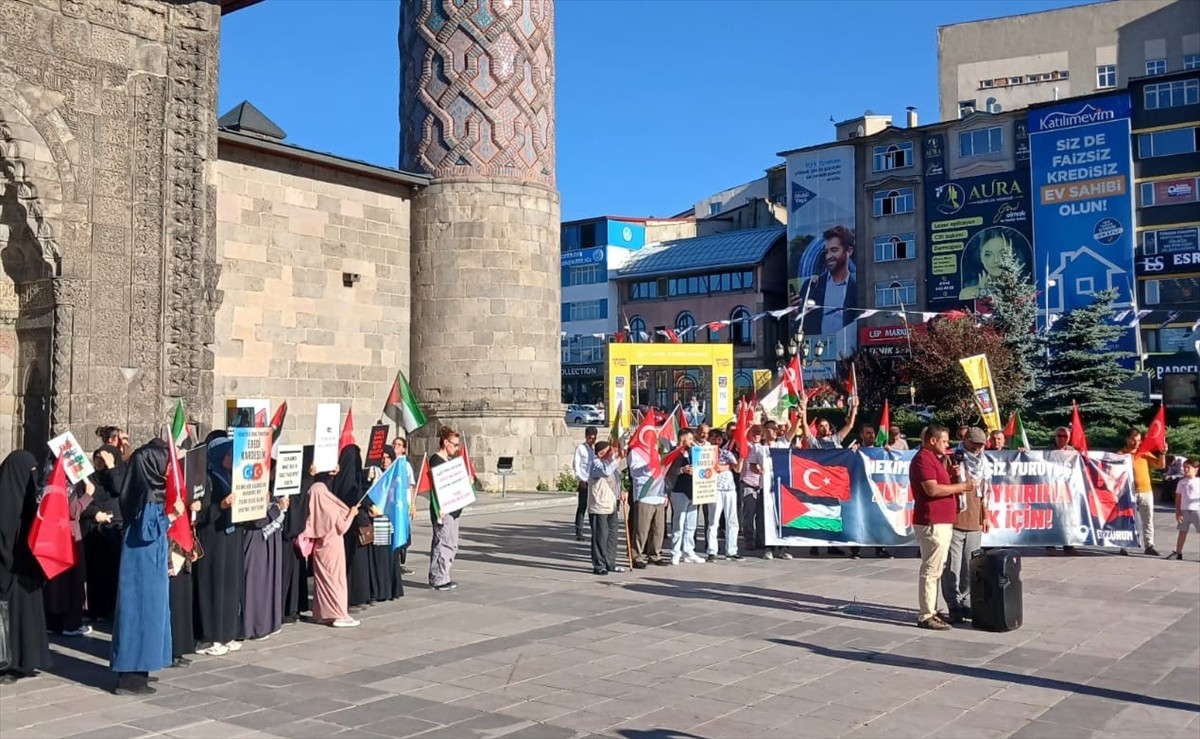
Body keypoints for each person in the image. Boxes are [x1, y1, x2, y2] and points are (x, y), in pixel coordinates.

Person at [110, 440, 182, 695]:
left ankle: (141, 669)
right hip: (142, 562)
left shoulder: (146, 488)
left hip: (148, 559)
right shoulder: (148, 493)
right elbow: (148, 529)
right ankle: (130, 677)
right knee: (139, 614)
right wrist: (173, 516)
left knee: (151, 615)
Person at [910, 424, 974, 631]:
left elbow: (942, 484)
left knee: (937, 568)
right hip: (932, 522)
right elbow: (932, 489)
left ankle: (933, 610)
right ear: (933, 440)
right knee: (931, 569)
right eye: (944, 441)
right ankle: (926, 614)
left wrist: (953, 476)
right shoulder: (922, 460)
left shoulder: (935, 460)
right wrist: (962, 487)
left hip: (942, 521)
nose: (947, 445)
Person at [0, 451, 51, 685]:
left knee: (24, 616)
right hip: (9, 572)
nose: (34, 476)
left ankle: (25, 660)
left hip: (25, 571)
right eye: (30, 472)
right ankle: (8, 663)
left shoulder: (28, 500)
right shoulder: (5, 500)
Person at [193, 434, 244, 657]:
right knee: (213, 586)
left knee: (230, 584)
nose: (232, 457)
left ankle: (227, 632)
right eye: (229, 453)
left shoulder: (232, 476)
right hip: (213, 540)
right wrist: (221, 506)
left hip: (231, 536)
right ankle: (210, 636)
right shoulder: (207, 479)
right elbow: (200, 515)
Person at [941, 427, 990, 624]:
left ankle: (967, 601)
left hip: (974, 520)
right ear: (966, 440)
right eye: (975, 444)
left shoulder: (984, 462)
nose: (978, 448)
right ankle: (953, 604)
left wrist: (985, 516)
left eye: (981, 445)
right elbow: (940, 485)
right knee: (952, 565)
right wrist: (952, 474)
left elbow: (985, 492)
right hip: (955, 518)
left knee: (971, 566)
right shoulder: (952, 457)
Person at [301, 471, 360, 628]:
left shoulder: (313, 508)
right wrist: (352, 514)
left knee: (322, 582)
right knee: (336, 582)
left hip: (320, 548)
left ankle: (322, 613)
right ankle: (340, 614)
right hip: (334, 548)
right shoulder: (331, 508)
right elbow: (342, 527)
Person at [802, 395, 857, 557]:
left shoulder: (835, 440)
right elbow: (804, 425)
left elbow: (850, 425)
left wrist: (854, 408)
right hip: (818, 481)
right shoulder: (814, 443)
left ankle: (832, 543)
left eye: (826, 426)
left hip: (833, 482)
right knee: (817, 510)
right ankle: (815, 545)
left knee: (833, 512)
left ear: (830, 428)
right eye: (820, 426)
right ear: (817, 428)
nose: (823, 428)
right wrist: (804, 407)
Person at [43, 476, 95, 636]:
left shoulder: (47, 479)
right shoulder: (67, 484)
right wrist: (88, 494)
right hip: (69, 534)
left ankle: (53, 622)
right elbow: (72, 511)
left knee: (56, 579)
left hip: (53, 533)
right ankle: (72, 624)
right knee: (75, 578)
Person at [82, 444, 125, 622]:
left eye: (104, 459)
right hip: (93, 530)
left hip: (114, 530)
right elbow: (83, 500)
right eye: (97, 458)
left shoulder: (119, 475)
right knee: (95, 573)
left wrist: (111, 467)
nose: (100, 462)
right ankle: (95, 610)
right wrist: (94, 513)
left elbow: (119, 490)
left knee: (113, 572)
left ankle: (111, 610)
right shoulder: (90, 478)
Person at [798, 225, 857, 338]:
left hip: (849, 351)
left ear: (849, 251)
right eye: (826, 252)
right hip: (817, 351)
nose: (829, 256)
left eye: (834, 250)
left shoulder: (857, 288)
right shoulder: (811, 286)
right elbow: (800, 325)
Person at [333, 445, 371, 611]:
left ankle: (358, 595)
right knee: (352, 562)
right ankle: (353, 597)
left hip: (352, 525)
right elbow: (353, 496)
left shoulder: (348, 475)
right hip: (351, 526)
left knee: (356, 562)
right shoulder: (348, 477)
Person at [242, 495, 286, 641]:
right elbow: (256, 520)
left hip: (268, 534)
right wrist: (276, 508)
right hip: (255, 535)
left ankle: (267, 622)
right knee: (255, 579)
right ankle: (253, 625)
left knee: (267, 580)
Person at [427, 426, 465, 591]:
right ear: (445, 442)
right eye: (455, 444)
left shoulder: (449, 461)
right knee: (443, 542)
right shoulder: (436, 460)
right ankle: (438, 578)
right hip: (443, 509)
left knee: (451, 543)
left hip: (453, 508)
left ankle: (444, 575)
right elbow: (439, 486)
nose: (457, 448)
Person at [1121, 428, 1166, 557]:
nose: (1136, 443)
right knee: (1127, 520)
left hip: (1146, 491)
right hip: (1128, 492)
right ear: (1127, 439)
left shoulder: (1144, 453)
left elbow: (1160, 465)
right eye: (1134, 440)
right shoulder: (1121, 454)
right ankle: (1124, 544)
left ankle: (1149, 545)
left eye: (1139, 441)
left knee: (1148, 520)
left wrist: (1162, 452)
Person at [366, 447, 403, 603]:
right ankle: (381, 590)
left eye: (388, 457)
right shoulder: (375, 474)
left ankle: (391, 589)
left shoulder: (395, 475)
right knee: (380, 555)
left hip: (390, 519)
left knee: (390, 555)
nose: (385, 460)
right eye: (382, 457)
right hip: (378, 520)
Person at [587, 441, 626, 575]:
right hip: (599, 506)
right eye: (609, 450)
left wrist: (621, 490)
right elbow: (605, 472)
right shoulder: (596, 464)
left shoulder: (612, 465)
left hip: (612, 505)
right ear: (601, 453)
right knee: (600, 537)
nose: (612, 453)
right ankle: (599, 565)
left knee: (612, 537)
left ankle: (611, 562)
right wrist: (618, 458)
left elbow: (616, 480)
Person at [629, 436, 668, 568]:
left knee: (658, 529)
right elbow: (634, 472)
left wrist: (665, 493)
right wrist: (649, 464)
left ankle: (654, 554)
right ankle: (636, 556)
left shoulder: (656, 451)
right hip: (644, 495)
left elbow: (661, 472)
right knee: (642, 529)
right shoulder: (636, 452)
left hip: (659, 494)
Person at [958, 227, 1029, 301]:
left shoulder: (1025, 292)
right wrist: (982, 292)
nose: (996, 260)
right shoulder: (968, 294)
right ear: (981, 258)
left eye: (1003, 253)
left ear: (1012, 254)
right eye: (988, 254)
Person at [280, 464, 311, 623]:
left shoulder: (301, 483)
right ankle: (286, 608)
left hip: (294, 536)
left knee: (295, 572)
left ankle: (292, 608)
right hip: (286, 536)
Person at [667, 430, 703, 566]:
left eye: (692, 438)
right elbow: (667, 470)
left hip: (694, 490)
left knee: (691, 524)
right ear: (682, 438)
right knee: (679, 522)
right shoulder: (674, 453)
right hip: (679, 490)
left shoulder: (695, 452)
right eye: (689, 438)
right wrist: (682, 470)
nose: (691, 440)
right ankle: (675, 552)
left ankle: (689, 551)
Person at [706, 436, 741, 562]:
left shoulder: (727, 453)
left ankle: (731, 550)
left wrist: (741, 458)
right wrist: (726, 467)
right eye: (713, 439)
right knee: (713, 521)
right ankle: (712, 550)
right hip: (714, 490)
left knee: (732, 521)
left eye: (719, 439)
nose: (716, 442)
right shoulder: (705, 453)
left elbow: (737, 468)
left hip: (730, 489)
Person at [392, 437, 417, 575]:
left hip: (403, 504)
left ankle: (401, 562)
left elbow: (411, 486)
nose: (396, 446)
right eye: (394, 444)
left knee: (404, 532)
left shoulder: (405, 465)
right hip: (392, 504)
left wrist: (413, 504)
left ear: (404, 449)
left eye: (399, 444)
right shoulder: (388, 462)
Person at [1165, 458, 1198, 561]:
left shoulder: (1198, 482)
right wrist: (1178, 511)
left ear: (1196, 469)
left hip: (1197, 510)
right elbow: (1178, 498)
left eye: (1188, 468)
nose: (1186, 470)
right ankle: (1178, 552)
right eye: (1184, 468)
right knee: (1182, 532)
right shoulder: (1181, 482)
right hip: (1184, 510)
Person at [573, 427, 598, 542]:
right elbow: (576, 465)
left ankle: (595, 530)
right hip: (584, 481)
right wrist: (580, 479)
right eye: (590, 438)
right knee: (582, 507)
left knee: (594, 508)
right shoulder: (581, 448)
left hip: (594, 482)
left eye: (594, 438)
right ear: (586, 437)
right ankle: (579, 531)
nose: (592, 441)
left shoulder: (596, 449)